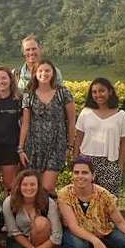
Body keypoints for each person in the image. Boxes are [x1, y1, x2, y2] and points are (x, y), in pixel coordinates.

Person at [57, 157, 125, 248]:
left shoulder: (104, 194)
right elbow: (73, 226)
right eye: (76, 172)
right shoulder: (64, 194)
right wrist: (95, 240)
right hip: (77, 232)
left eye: (85, 172)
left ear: (93, 176)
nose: (80, 176)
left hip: (103, 230)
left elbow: (120, 221)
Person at [18, 59, 76, 194]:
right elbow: (25, 124)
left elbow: (72, 121)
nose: (44, 73)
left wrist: (70, 146)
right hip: (34, 147)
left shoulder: (63, 93)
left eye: (47, 70)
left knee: (47, 187)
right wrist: (21, 149)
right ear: (35, 74)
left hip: (57, 145)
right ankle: (43, 213)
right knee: (35, 188)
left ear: (53, 73)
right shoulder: (29, 95)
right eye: (40, 71)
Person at [75, 78, 125, 197]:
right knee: (85, 199)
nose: (98, 95)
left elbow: (124, 142)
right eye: (94, 92)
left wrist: (119, 166)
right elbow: (79, 137)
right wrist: (75, 161)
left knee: (108, 202)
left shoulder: (121, 115)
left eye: (101, 91)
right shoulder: (85, 112)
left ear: (110, 92)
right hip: (86, 161)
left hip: (110, 162)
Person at [2, 170, 62, 248]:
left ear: (39, 186)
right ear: (19, 186)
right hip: (19, 240)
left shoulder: (48, 202)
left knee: (41, 223)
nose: (29, 188)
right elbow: (14, 232)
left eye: (32, 184)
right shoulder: (9, 202)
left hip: (42, 241)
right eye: (25, 184)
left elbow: (57, 236)